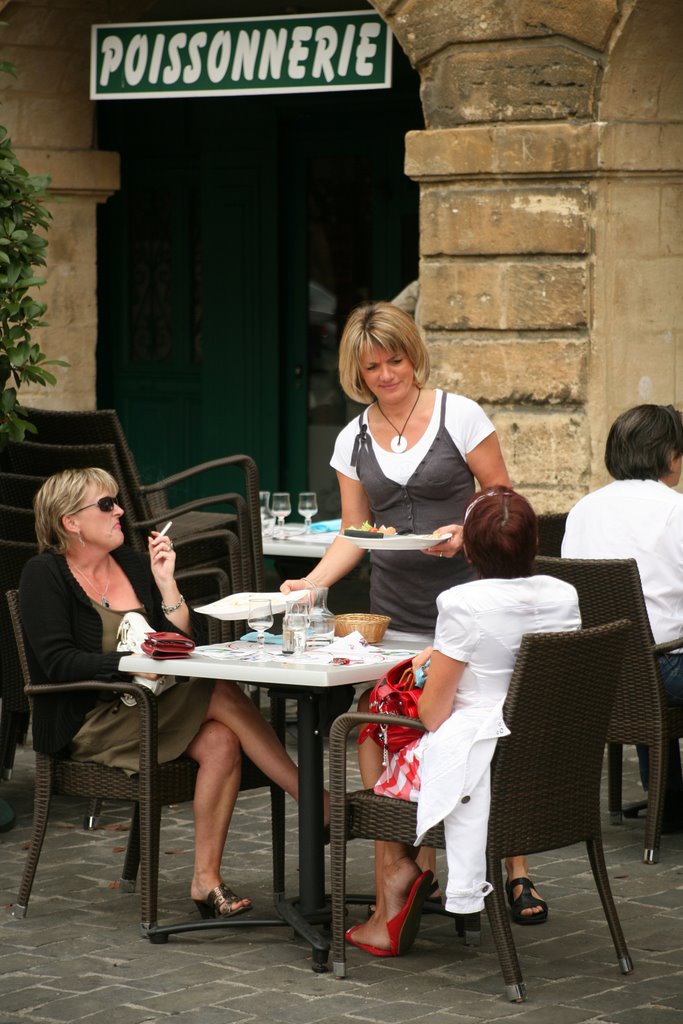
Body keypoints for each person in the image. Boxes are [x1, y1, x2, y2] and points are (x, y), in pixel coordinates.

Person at [19, 467, 309, 920]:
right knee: (217, 689)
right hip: (90, 719)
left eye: (117, 501)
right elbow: (57, 663)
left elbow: (177, 639)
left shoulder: (132, 564)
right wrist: (134, 664)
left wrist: (167, 582)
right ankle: (311, 800)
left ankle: (205, 880)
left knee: (221, 740)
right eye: (106, 504)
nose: (119, 512)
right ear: (70, 522)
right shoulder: (45, 574)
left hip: (148, 705)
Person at [345, 488, 581, 957]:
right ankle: (396, 885)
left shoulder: (462, 602)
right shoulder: (564, 594)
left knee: (370, 730)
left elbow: (434, 714)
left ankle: (391, 886)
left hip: (482, 765)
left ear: (470, 548)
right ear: (533, 543)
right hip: (543, 764)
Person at [281, 300, 512, 642]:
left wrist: (467, 534)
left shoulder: (460, 415)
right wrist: (312, 584)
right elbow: (353, 530)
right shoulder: (351, 439)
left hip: (469, 603)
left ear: (413, 357)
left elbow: (503, 498)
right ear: (358, 372)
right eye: (372, 367)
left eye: (395, 361)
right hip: (392, 613)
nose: (386, 375)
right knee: (375, 699)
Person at [561, 403, 683, 830]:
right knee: (664, 650)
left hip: (598, 669)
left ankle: (666, 798)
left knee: (650, 649)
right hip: (662, 670)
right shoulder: (673, 510)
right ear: (671, 457)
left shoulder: (583, 509)